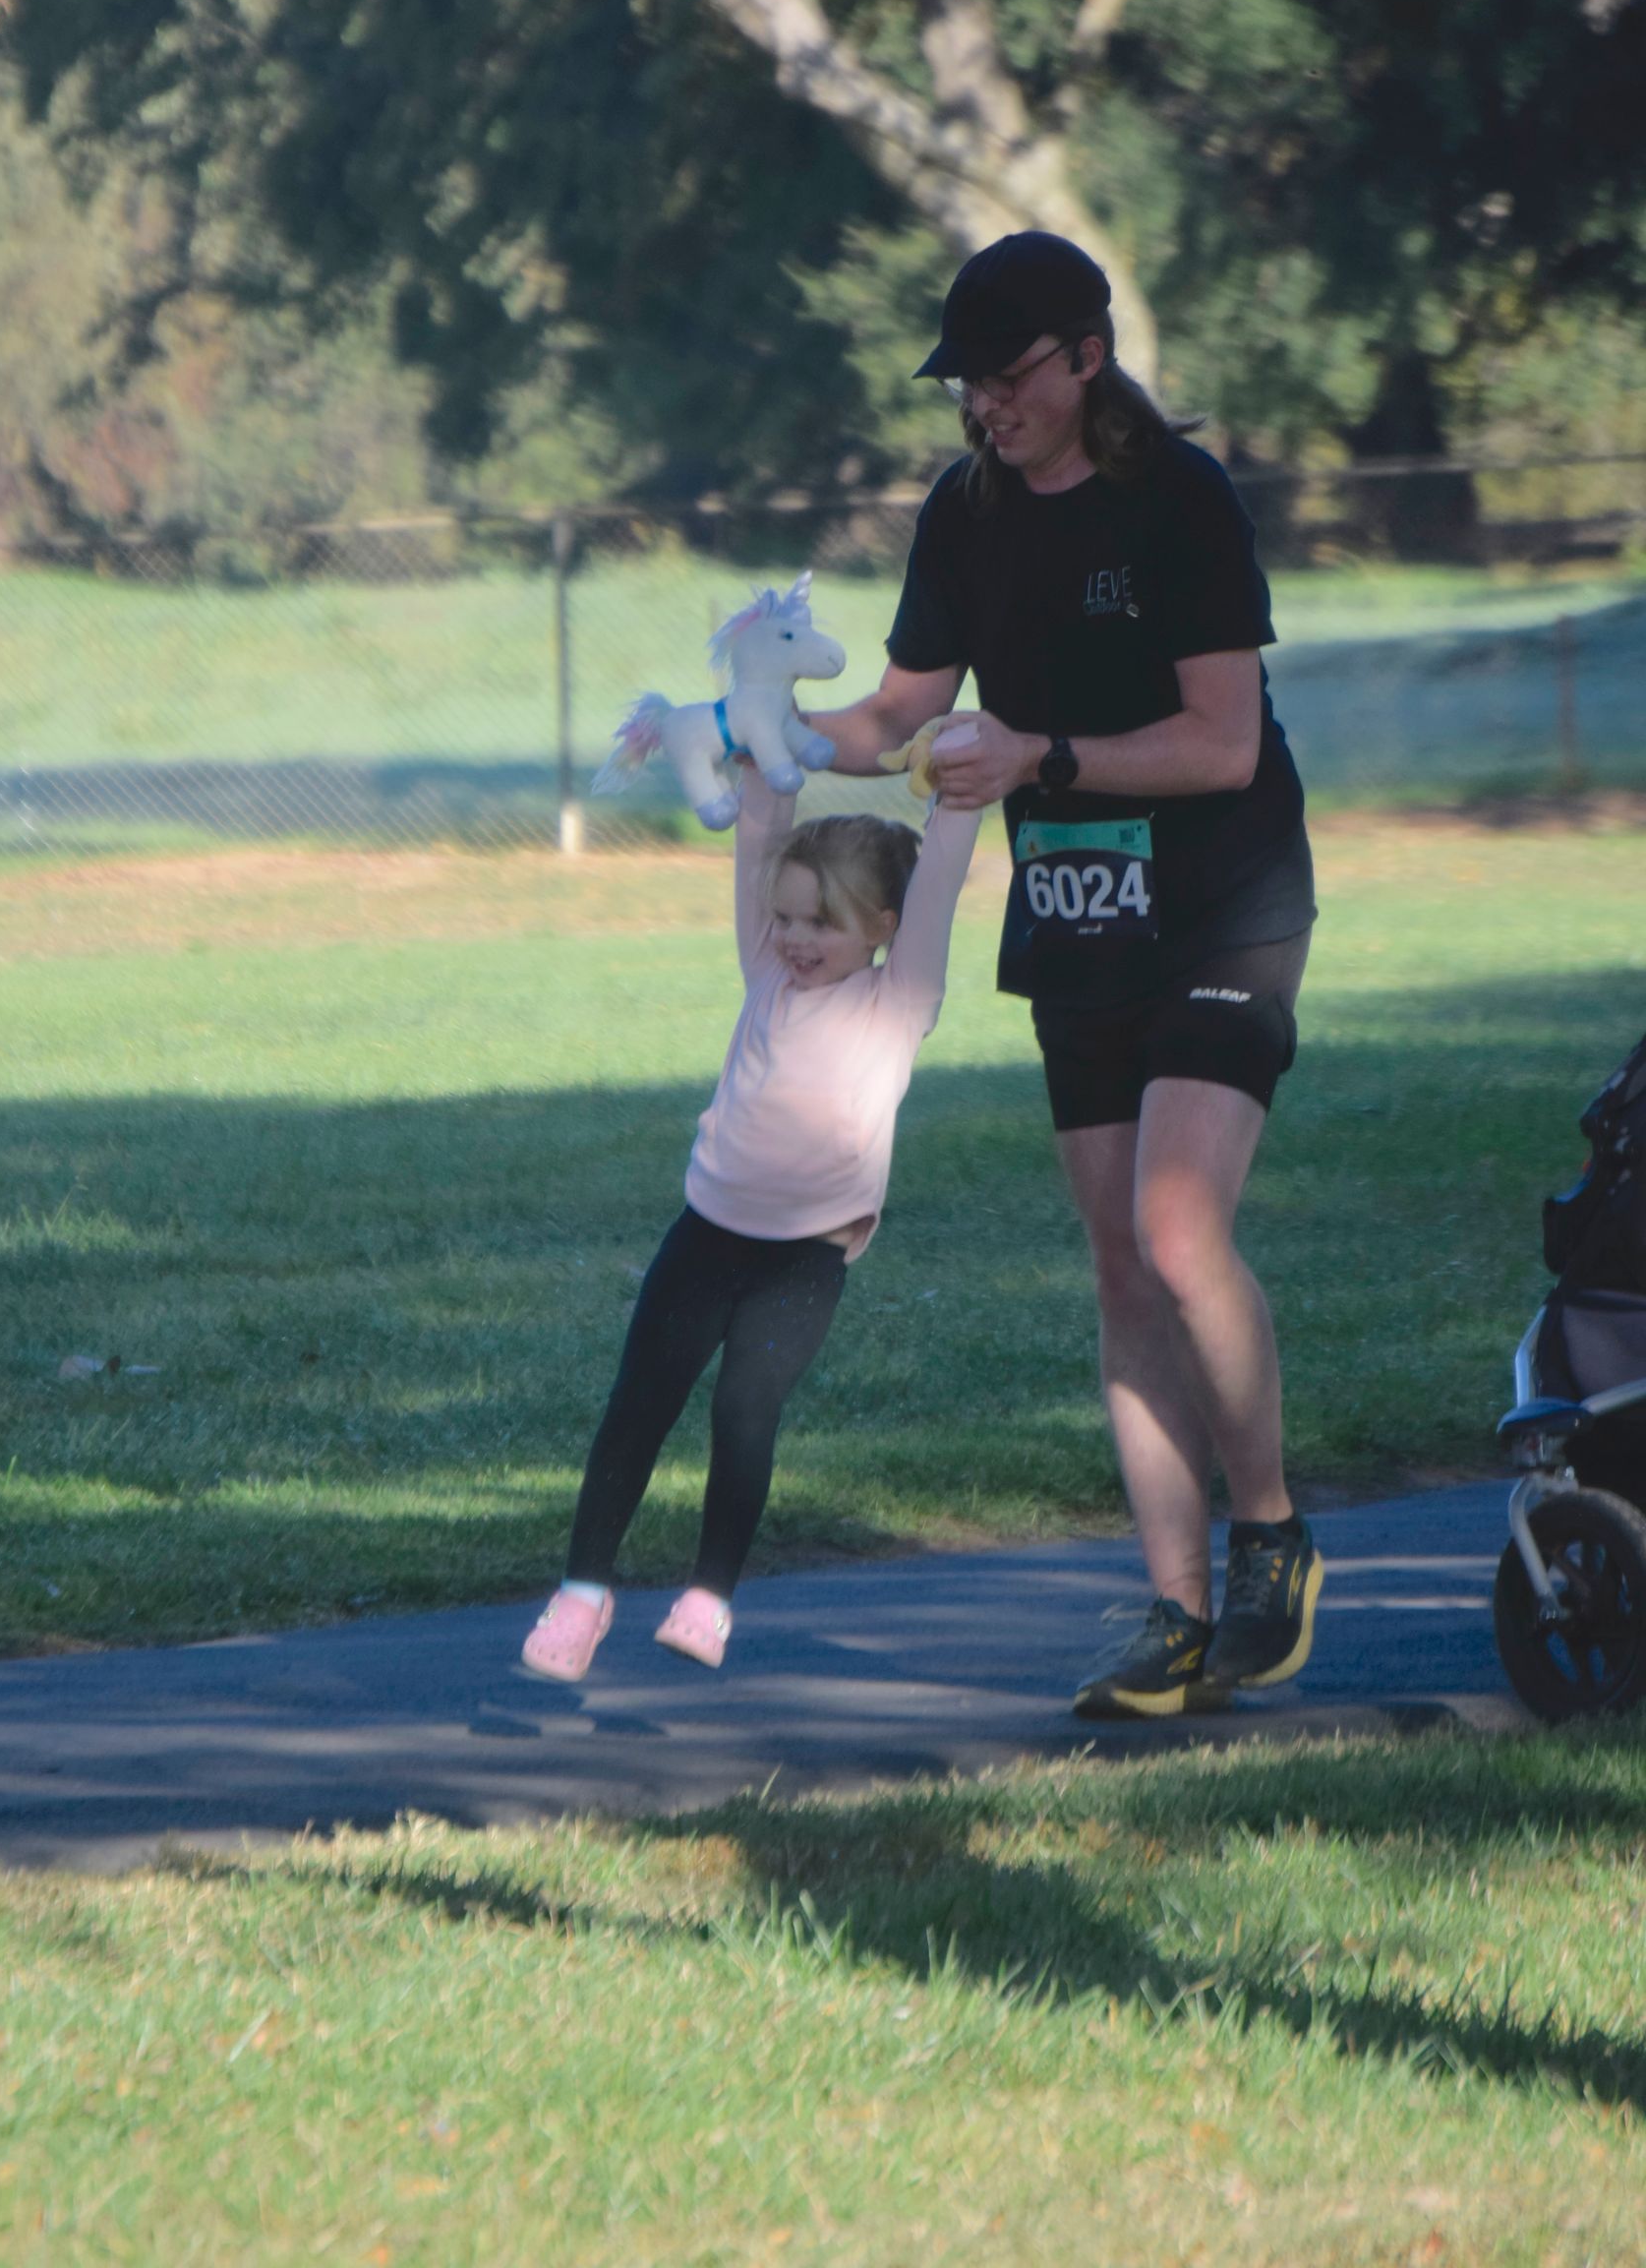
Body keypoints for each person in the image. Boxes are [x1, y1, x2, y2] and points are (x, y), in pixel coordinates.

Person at [807, 231, 1322, 1719]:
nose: (984, 406)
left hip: (1229, 900)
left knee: (1176, 1224)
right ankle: (1174, 1618)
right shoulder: (964, 516)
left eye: (1008, 375)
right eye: (965, 384)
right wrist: (755, 726)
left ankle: (1272, 1534)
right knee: (1117, 1259)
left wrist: (1043, 756)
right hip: (1083, 913)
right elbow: (900, 710)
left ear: (1088, 355)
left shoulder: (1180, 500)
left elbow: (1222, 741)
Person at [521, 761, 979, 1682]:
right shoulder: (767, 973)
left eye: (824, 922)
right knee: (638, 1407)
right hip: (707, 1235)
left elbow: (940, 886)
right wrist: (762, 767)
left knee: (746, 1408)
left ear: (883, 930)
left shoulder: (900, 1003)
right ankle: (581, 1592)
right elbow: (759, 850)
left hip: (804, 1259)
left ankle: (709, 1598)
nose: (797, 938)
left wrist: (960, 793)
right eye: (788, 917)